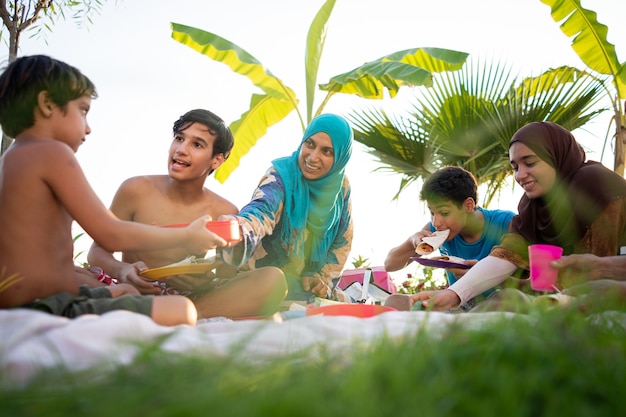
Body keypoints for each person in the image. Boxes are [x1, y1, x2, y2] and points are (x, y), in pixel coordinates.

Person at [0, 55, 228, 326]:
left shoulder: (14, 157)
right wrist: (185, 236)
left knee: (127, 291)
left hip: (47, 299)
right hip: (44, 308)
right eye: (83, 111)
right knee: (182, 311)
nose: (88, 127)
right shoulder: (52, 153)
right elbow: (110, 234)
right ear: (47, 104)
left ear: (217, 159)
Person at [87, 109, 287, 318]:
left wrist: (203, 281)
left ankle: (190, 314)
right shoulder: (135, 189)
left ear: (216, 160)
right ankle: (173, 315)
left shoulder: (224, 211)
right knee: (79, 278)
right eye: (179, 139)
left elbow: (224, 273)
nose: (181, 149)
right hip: (132, 291)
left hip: (187, 299)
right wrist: (123, 270)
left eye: (197, 144)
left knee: (272, 280)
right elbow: (97, 251)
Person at [410, 121, 626, 311]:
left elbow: (598, 267)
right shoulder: (532, 206)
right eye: (515, 167)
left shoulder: (595, 185)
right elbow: (505, 256)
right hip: (561, 304)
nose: (520, 175)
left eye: (530, 163)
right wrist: (453, 295)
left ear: (556, 156)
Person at [219, 113, 354, 302]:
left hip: (301, 286)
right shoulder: (281, 175)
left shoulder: (341, 189)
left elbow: (342, 241)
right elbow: (262, 209)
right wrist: (239, 228)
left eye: (327, 151)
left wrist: (318, 279)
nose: (313, 157)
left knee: (349, 306)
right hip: (260, 281)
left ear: (341, 157)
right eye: (310, 144)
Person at [384, 166, 515, 309]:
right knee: (397, 302)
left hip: (502, 304)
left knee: (505, 297)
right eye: (432, 213)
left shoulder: (505, 223)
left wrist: (483, 277)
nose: (436, 222)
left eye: (444, 212)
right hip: (461, 306)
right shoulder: (436, 229)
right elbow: (390, 265)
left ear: (468, 206)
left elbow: (535, 285)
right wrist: (412, 241)